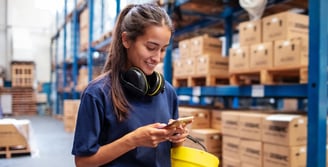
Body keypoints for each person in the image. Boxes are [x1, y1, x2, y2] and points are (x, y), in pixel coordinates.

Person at [72, 3, 189, 167]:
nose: (157, 58)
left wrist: (177, 139)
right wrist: (132, 140)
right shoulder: (97, 93)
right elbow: (83, 162)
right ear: (126, 40)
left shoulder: (167, 92)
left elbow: (168, 152)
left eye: (163, 50)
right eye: (151, 47)